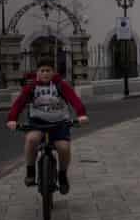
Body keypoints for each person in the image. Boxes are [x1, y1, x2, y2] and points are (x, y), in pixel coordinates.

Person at [5, 58, 89, 194]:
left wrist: (81, 115)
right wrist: (12, 119)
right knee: (31, 139)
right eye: (42, 70)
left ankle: (62, 175)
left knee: (64, 148)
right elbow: (19, 103)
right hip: (38, 123)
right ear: (37, 72)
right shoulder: (31, 87)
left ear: (53, 72)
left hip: (60, 123)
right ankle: (30, 170)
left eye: (48, 70)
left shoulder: (61, 85)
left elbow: (74, 99)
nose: (45, 73)